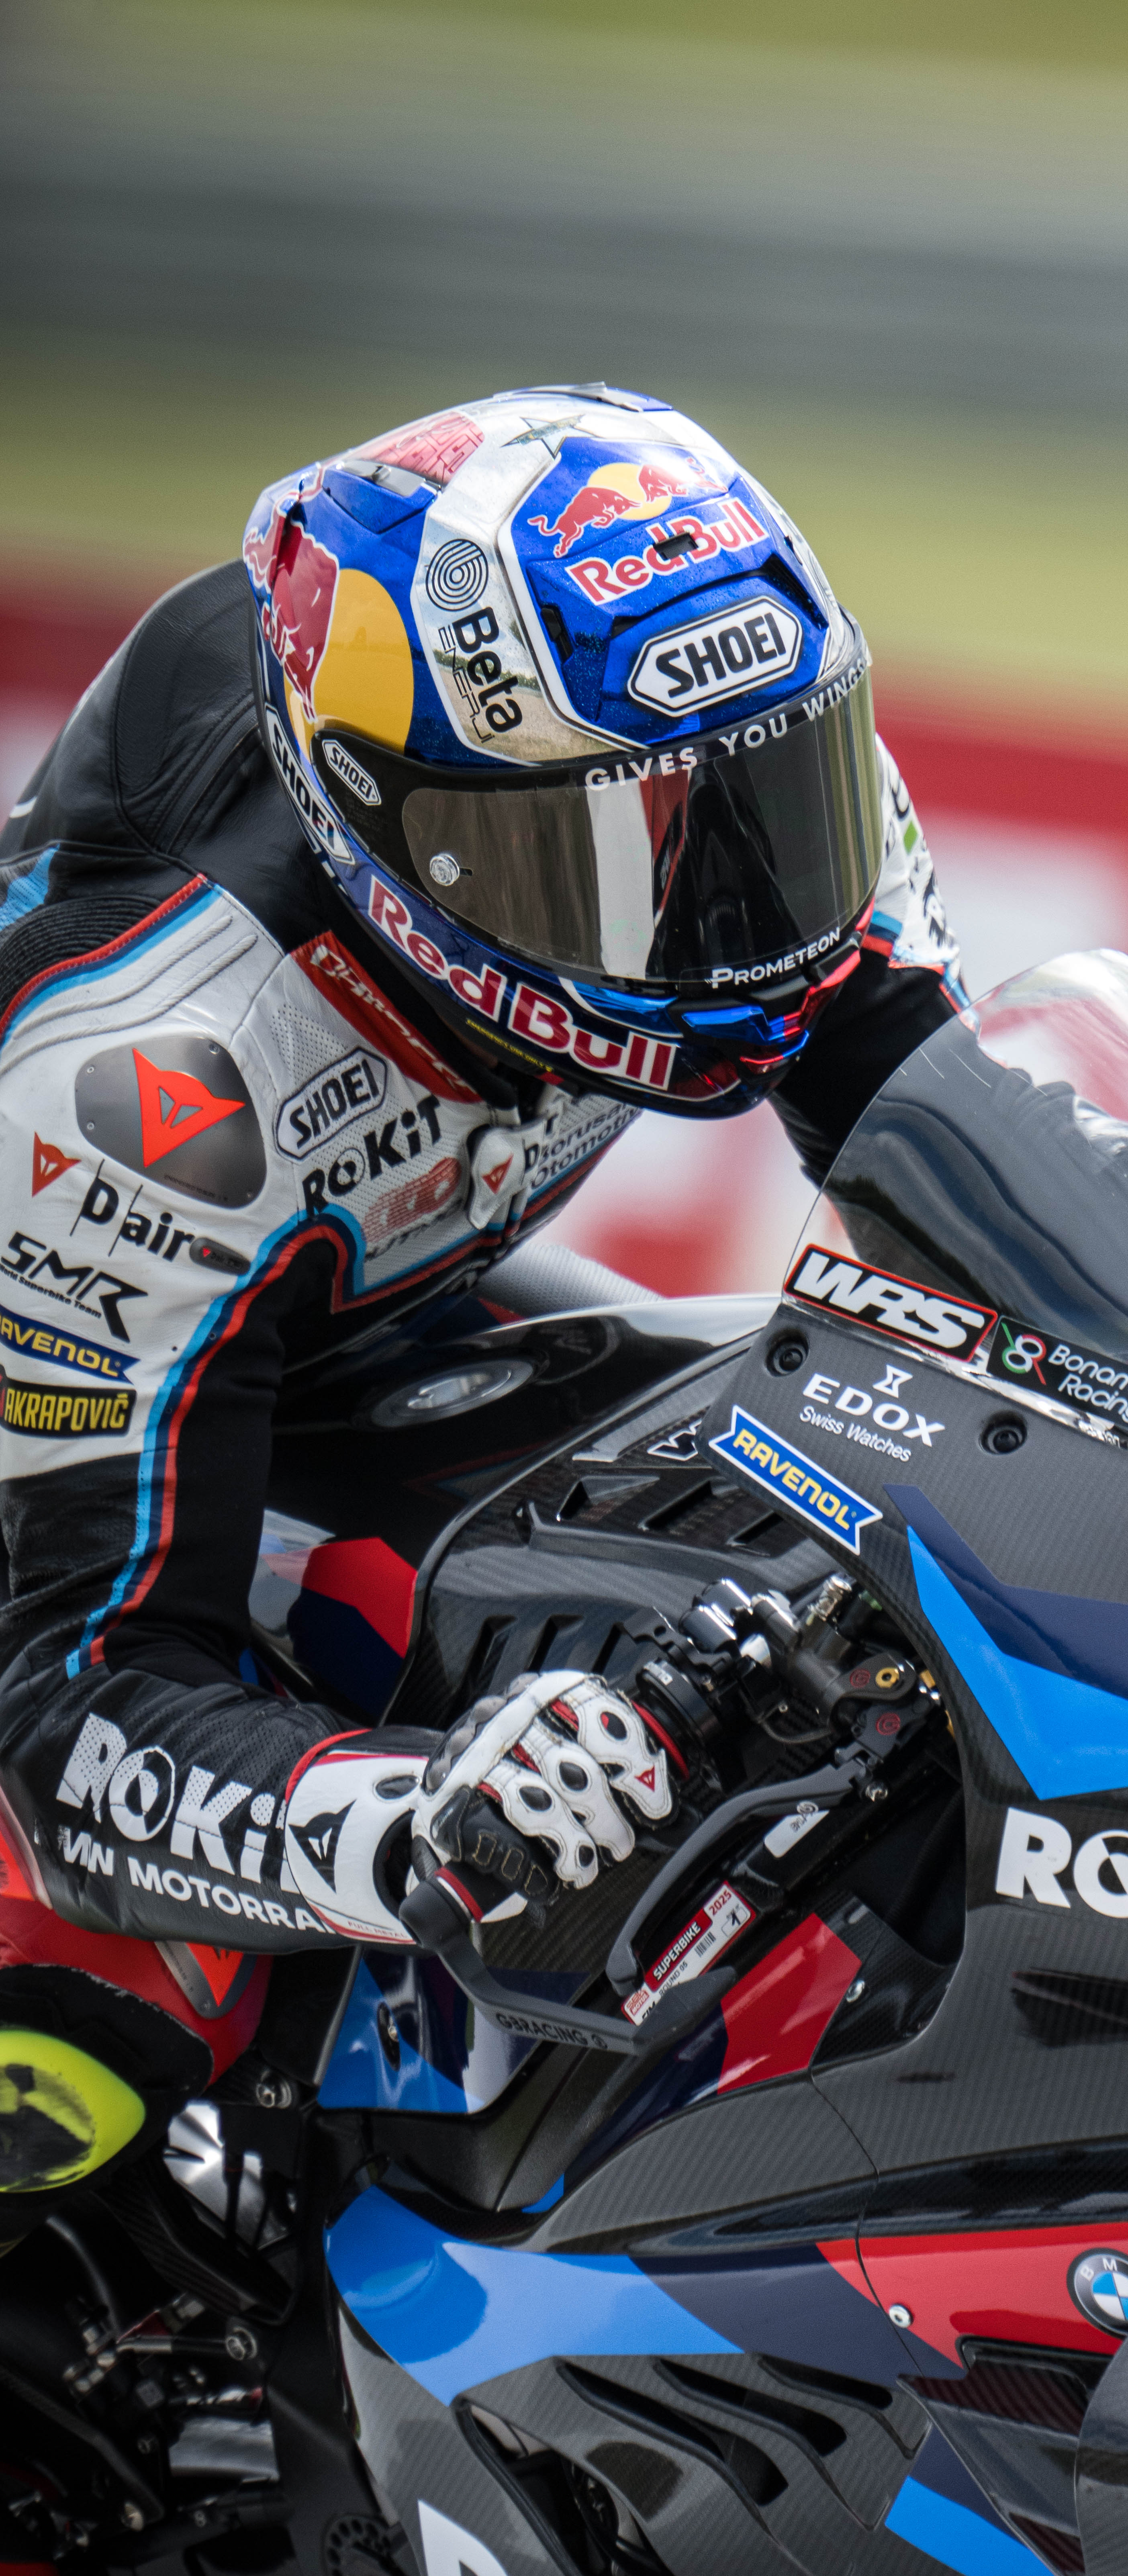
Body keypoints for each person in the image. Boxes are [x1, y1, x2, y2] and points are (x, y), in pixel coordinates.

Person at [0, 384, 965, 2226]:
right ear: (395, 837)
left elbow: (952, 1157)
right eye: (609, 854)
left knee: (774, 1507)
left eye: (764, 797)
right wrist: (422, 1819)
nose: (725, 907)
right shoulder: (147, 1076)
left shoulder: (741, 779)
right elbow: (67, 1707)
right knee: (85, 2020)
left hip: (359, 1302)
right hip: (69, 1417)